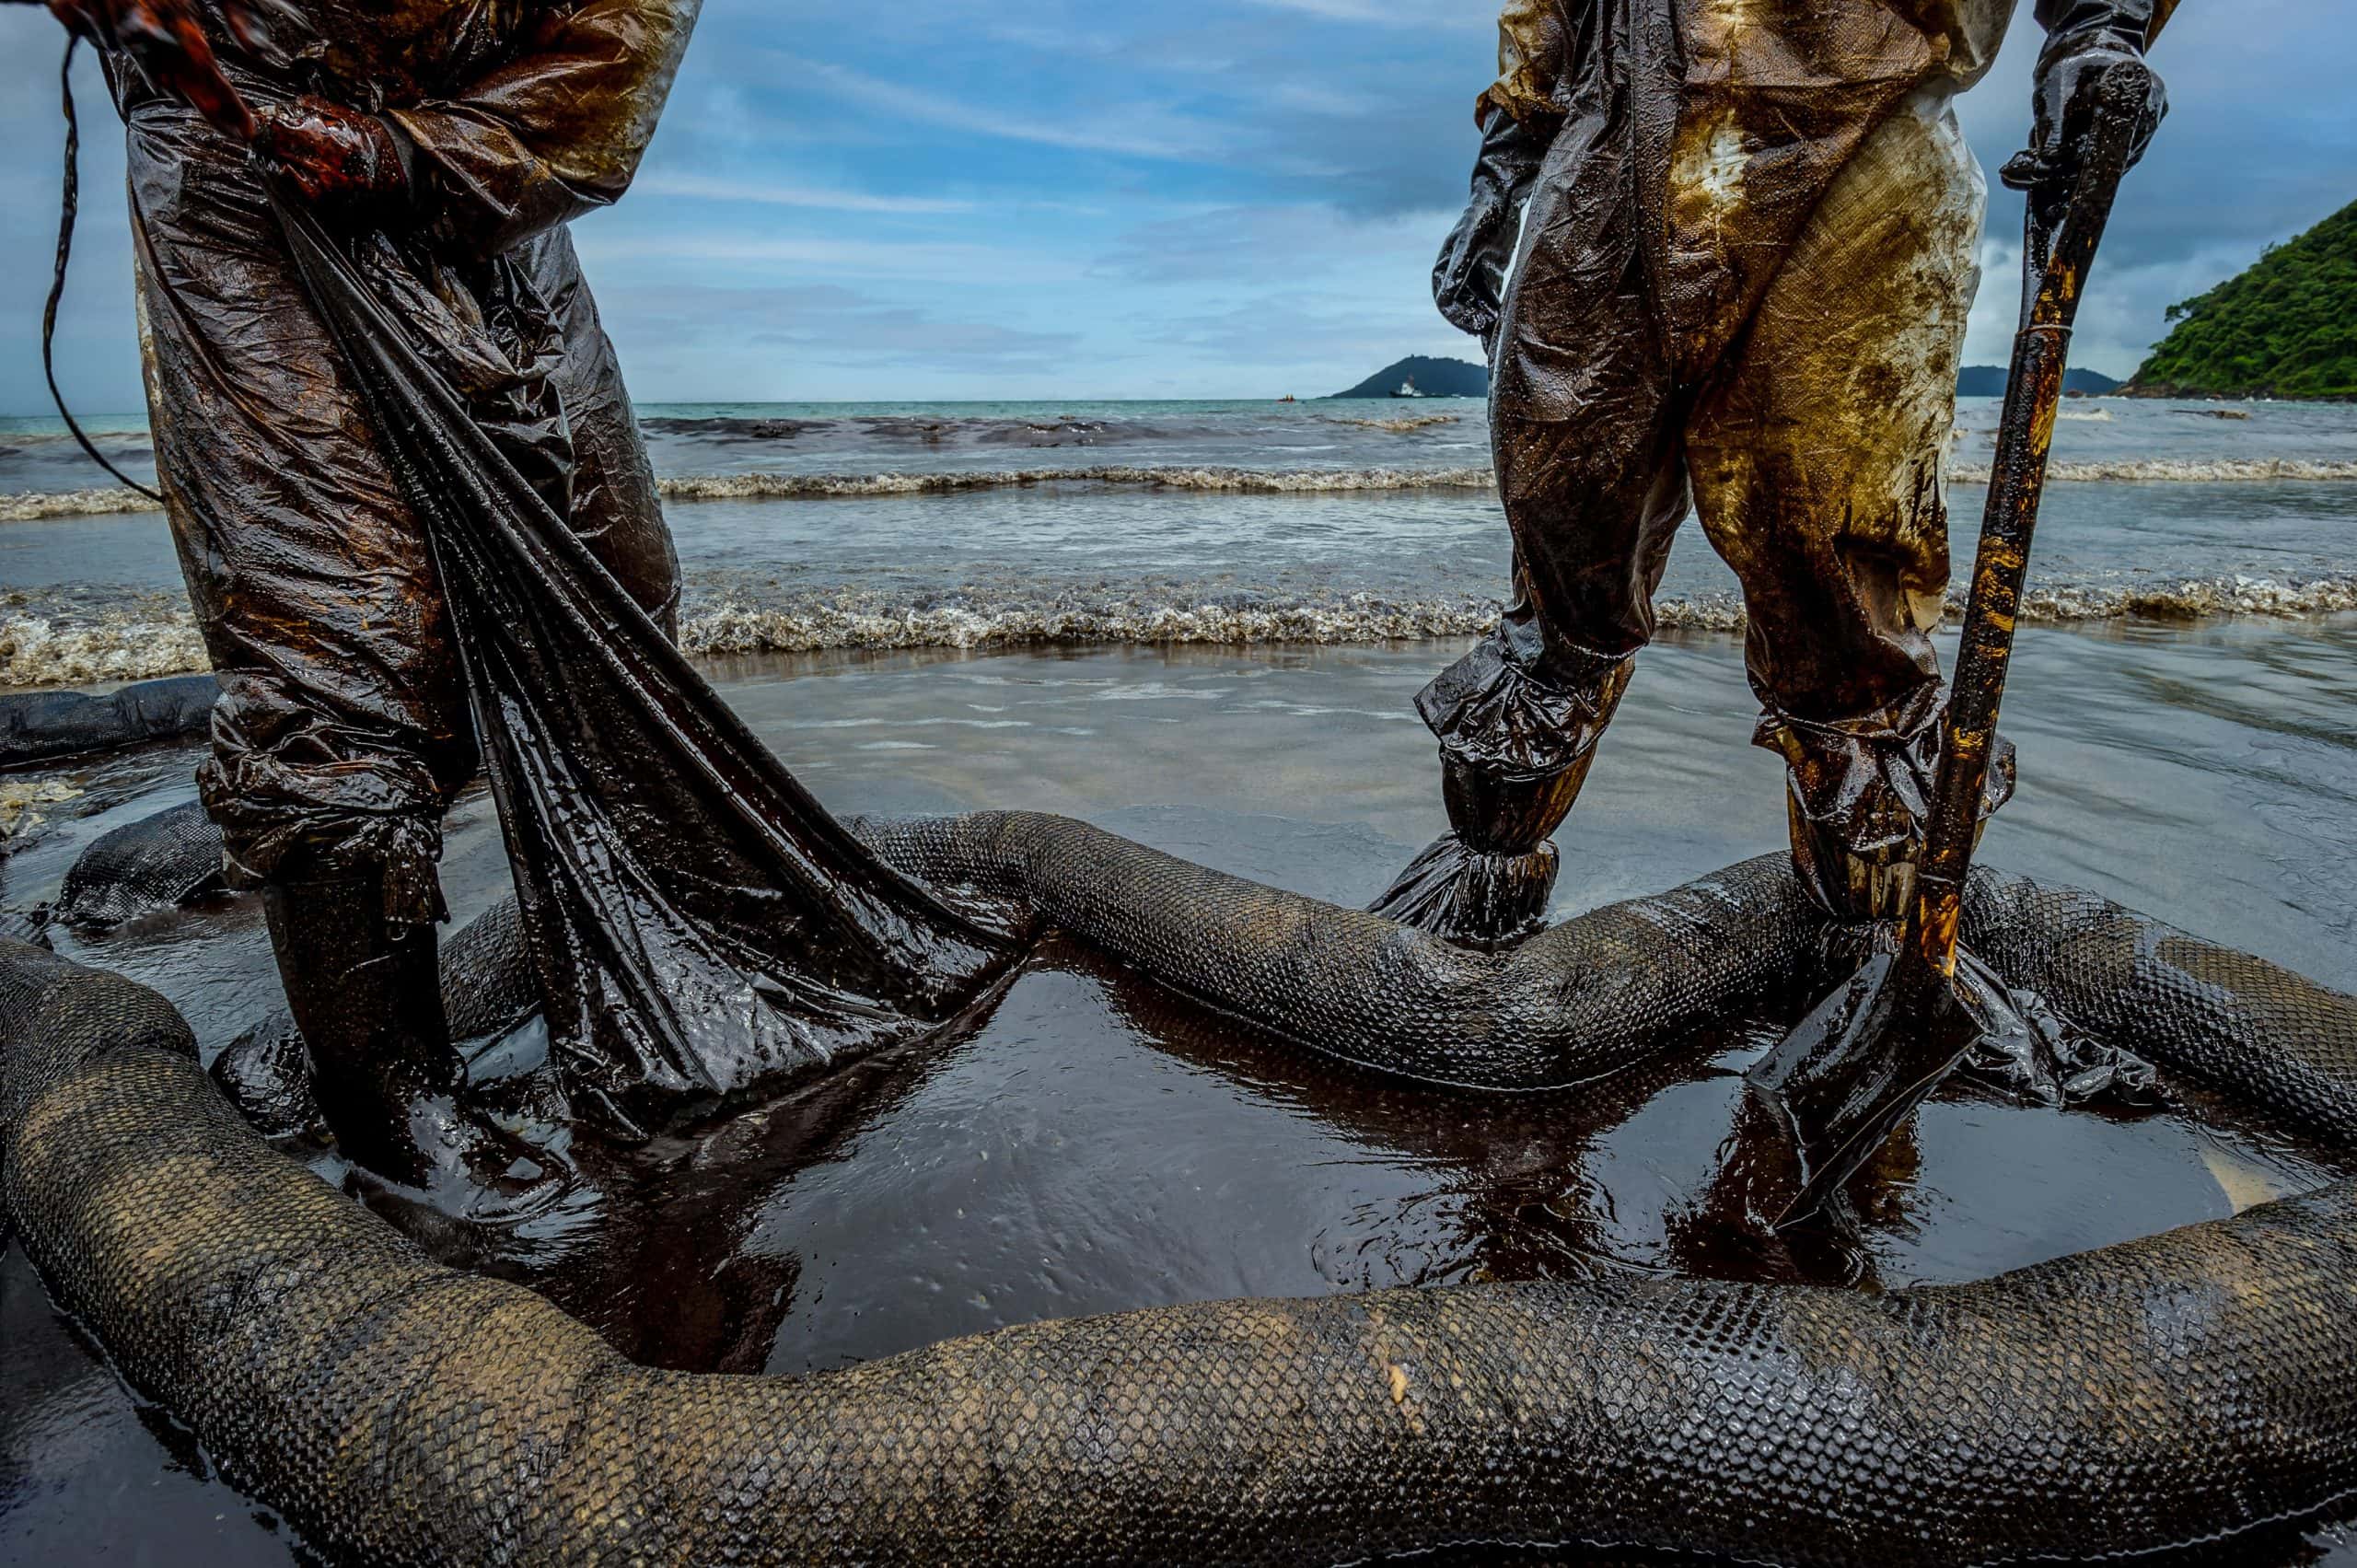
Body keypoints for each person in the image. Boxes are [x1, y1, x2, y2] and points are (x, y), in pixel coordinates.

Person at [38, 0, 701, 1194]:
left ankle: (646, 982)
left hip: (486, 173)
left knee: (611, 583)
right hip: (236, 152)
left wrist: (409, 156)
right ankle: (398, 1116)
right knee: (339, 632)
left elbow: (624, 36)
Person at [1372, 0, 2170, 946]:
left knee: (1832, 579)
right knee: (1561, 526)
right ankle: (1478, 898)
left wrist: (2097, 31)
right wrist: (1503, 168)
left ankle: (1866, 954)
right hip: (1605, 153)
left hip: (1855, 141)